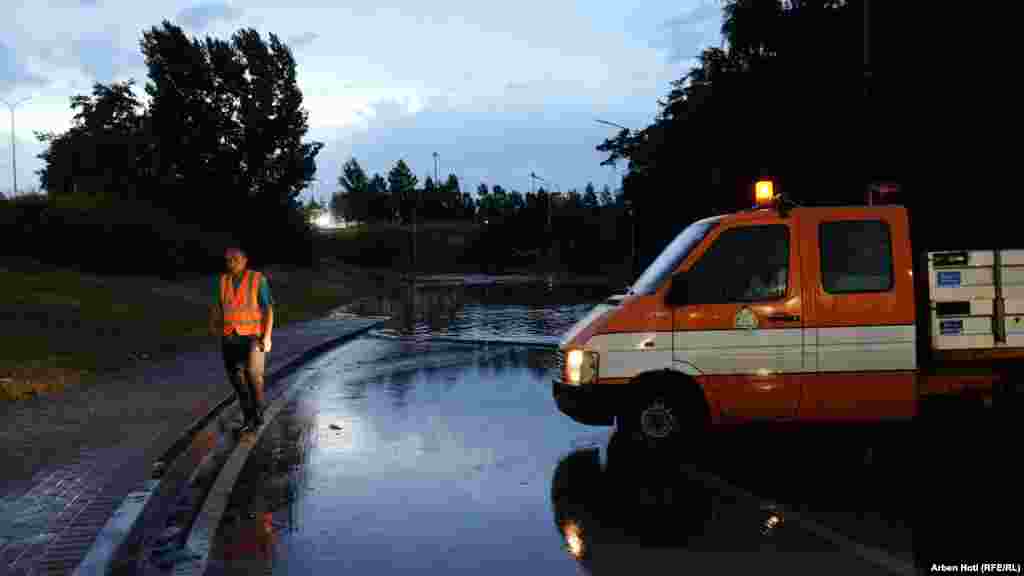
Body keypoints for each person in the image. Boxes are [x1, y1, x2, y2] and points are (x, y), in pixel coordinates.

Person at [209, 247, 274, 432]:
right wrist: (213, 325)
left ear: (245, 260)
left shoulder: (257, 279)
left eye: (235, 259)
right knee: (236, 379)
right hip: (229, 336)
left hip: (253, 336)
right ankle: (248, 417)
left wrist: (267, 337)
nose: (231, 263)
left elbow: (268, 309)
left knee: (253, 375)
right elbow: (218, 305)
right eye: (228, 260)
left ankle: (258, 410)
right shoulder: (223, 281)